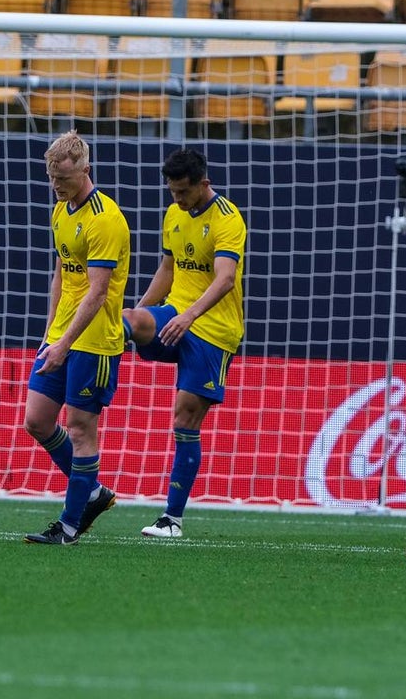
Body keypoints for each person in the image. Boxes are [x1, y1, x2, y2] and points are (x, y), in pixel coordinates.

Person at [123, 149, 246, 539]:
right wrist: (142, 310)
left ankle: (171, 520)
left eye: (182, 192)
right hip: (175, 313)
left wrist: (189, 315)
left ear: (203, 184)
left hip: (213, 330)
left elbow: (225, 279)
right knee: (128, 320)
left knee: (184, 418)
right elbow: (167, 268)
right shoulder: (174, 214)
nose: (176, 199)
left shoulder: (228, 219)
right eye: (172, 191)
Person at [22, 131, 131, 545]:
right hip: (63, 333)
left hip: (95, 339)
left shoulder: (106, 219)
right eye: (52, 179)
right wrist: (50, 332)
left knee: (81, 428)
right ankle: (94, 492)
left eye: (64, 179)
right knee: (37, 420)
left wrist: (65, 342)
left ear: (85, 170)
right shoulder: (60, 210)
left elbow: (97, 291)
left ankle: (68, 527)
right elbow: (61, 273)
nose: (57, 186)